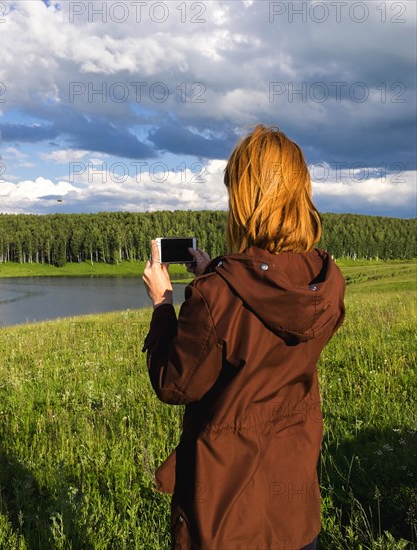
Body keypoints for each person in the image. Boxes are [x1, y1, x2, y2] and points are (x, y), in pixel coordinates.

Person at [141, 124, 346, 549]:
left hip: (224, 514)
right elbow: (265, 297)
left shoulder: (218, 295)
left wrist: (163, 303)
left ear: (246, 199)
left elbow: (173, 383)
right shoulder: (325, 280)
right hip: (294, 510)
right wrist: (214, 271)